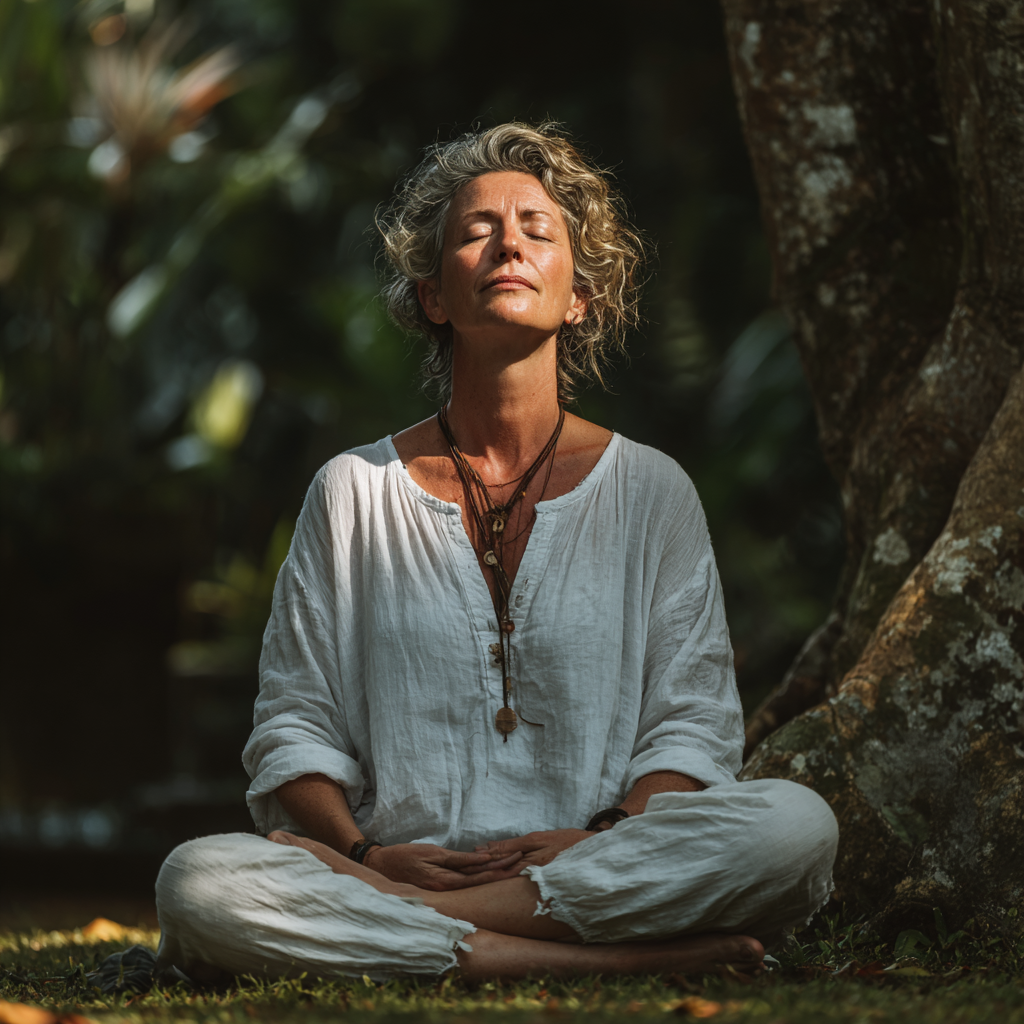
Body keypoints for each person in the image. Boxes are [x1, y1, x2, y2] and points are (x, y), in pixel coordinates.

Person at [154, 123, 838, 984]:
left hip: (592, 858)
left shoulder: (652, 490)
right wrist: (368, 852)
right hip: (393, 859)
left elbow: (692, 727)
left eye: (536, 230)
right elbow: (296, 727)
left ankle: (441, 932)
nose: (508, 242)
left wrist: (605, 838)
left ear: (579, 296)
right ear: (435, 295)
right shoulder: (353, 490)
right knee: (197, 880)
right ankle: (603, 963)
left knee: (797, 827)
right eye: (476, 231)